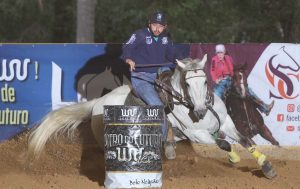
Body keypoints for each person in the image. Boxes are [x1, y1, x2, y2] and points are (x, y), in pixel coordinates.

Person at [121, 10, 179, 159]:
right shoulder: (140, 35)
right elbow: (127, 47)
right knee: (157, 106)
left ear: (165, 27)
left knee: (179, 96)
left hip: (160, 73)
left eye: (160, 26)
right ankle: (165, 142)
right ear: (149, 24)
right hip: (141, 77)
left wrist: (180, 60)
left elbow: (173, 55)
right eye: (154, 25)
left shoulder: (166, 38)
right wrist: (129, 59)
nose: (157, 29)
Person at [210, 44, 274, 115]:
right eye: (218, 53)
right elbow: (212, 71)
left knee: (248, 91)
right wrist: (215, 79)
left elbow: (232, 68)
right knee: (216, 95)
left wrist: (232, 73)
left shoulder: (228, 58)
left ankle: (265, 108)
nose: (219, 54)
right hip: (221, 82)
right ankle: (216, 115)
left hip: (230, 80)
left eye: (221, 52)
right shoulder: (214, 60)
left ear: (224, 52)